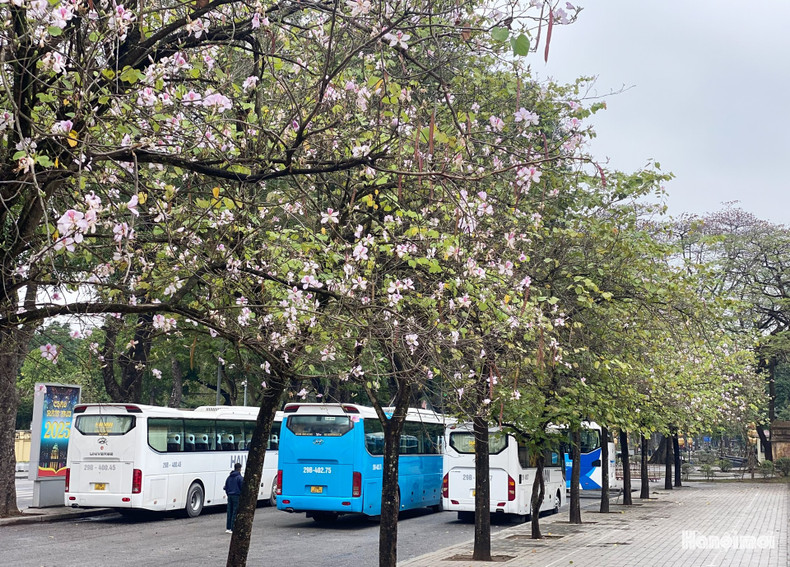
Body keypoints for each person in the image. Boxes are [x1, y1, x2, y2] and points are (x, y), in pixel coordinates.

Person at [223, 462, 243, 533]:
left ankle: (228, 528)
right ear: (239, 469)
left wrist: (228, 493)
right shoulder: (239, 478)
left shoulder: (229, 477)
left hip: (230, 496)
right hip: (236, 496)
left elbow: (226, 487)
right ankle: (232, 528)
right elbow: (242, 487)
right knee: (235, 511)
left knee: (229, 511)